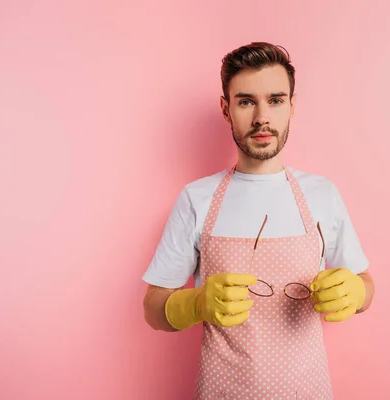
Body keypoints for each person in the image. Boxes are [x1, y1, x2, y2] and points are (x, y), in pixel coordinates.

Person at [142, 41, 375, 399]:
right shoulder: (196, 199)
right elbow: (154, 308)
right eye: (246, 101)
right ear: (226, 108)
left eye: (276, 100)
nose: (261, 117)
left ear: (292, 106)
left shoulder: (323, 194)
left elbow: (364, 285)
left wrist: (357, 292)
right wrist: (195, 303)